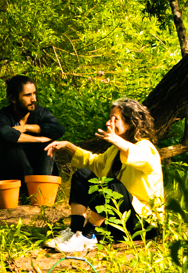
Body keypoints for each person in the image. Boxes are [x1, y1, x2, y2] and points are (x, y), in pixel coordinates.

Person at [43, 98, 164, 252]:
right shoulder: (114, 150)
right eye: (109, 118)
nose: (108, 123)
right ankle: (75, 231)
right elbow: (94, 163)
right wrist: (68, 146)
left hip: (142, 222)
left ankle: (88, 236)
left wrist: (116, 140)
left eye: (115, 119)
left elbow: (138, 155)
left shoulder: (146, 148)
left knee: (113, 186)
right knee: (82, 175)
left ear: (130, 123)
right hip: (118, 220)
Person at [0, 75, 64, 183]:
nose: (34, 99)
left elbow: (58, 129)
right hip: (10, 175)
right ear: (13, 99)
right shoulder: (3, 116)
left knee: (48, 144)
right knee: (10, 143)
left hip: (37, 168)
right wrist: (38, 139)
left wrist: (27, 128)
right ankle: (27, 185)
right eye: (28, 95)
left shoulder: (41, 113)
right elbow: (4, 133)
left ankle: (42, 185)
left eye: (34, 93)